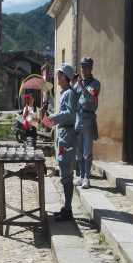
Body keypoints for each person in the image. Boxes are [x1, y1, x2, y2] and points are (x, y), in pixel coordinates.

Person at [48, 63, 78, 222]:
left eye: (60, 75)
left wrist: (53, 118)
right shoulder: (66, 93)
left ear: (66, 78)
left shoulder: (69, 94)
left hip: (67, 135)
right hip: (64, 134)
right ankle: (67, 207)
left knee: (66, 172)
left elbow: (69, 114)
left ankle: (68, 209)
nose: (57, 77)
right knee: (64, 172)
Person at [74, 57, 100, 189]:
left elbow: (91, 98)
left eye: (86, 67)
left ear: (91, 68)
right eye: (82, 67)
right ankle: (80, 174)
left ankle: (87, 178)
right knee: (78, 150)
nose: (83, 70)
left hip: (88, 118)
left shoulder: (95, 84)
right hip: (78, 118)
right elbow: (73, 97)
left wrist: (82, 87)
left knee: (87, 151)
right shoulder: (79, 83)